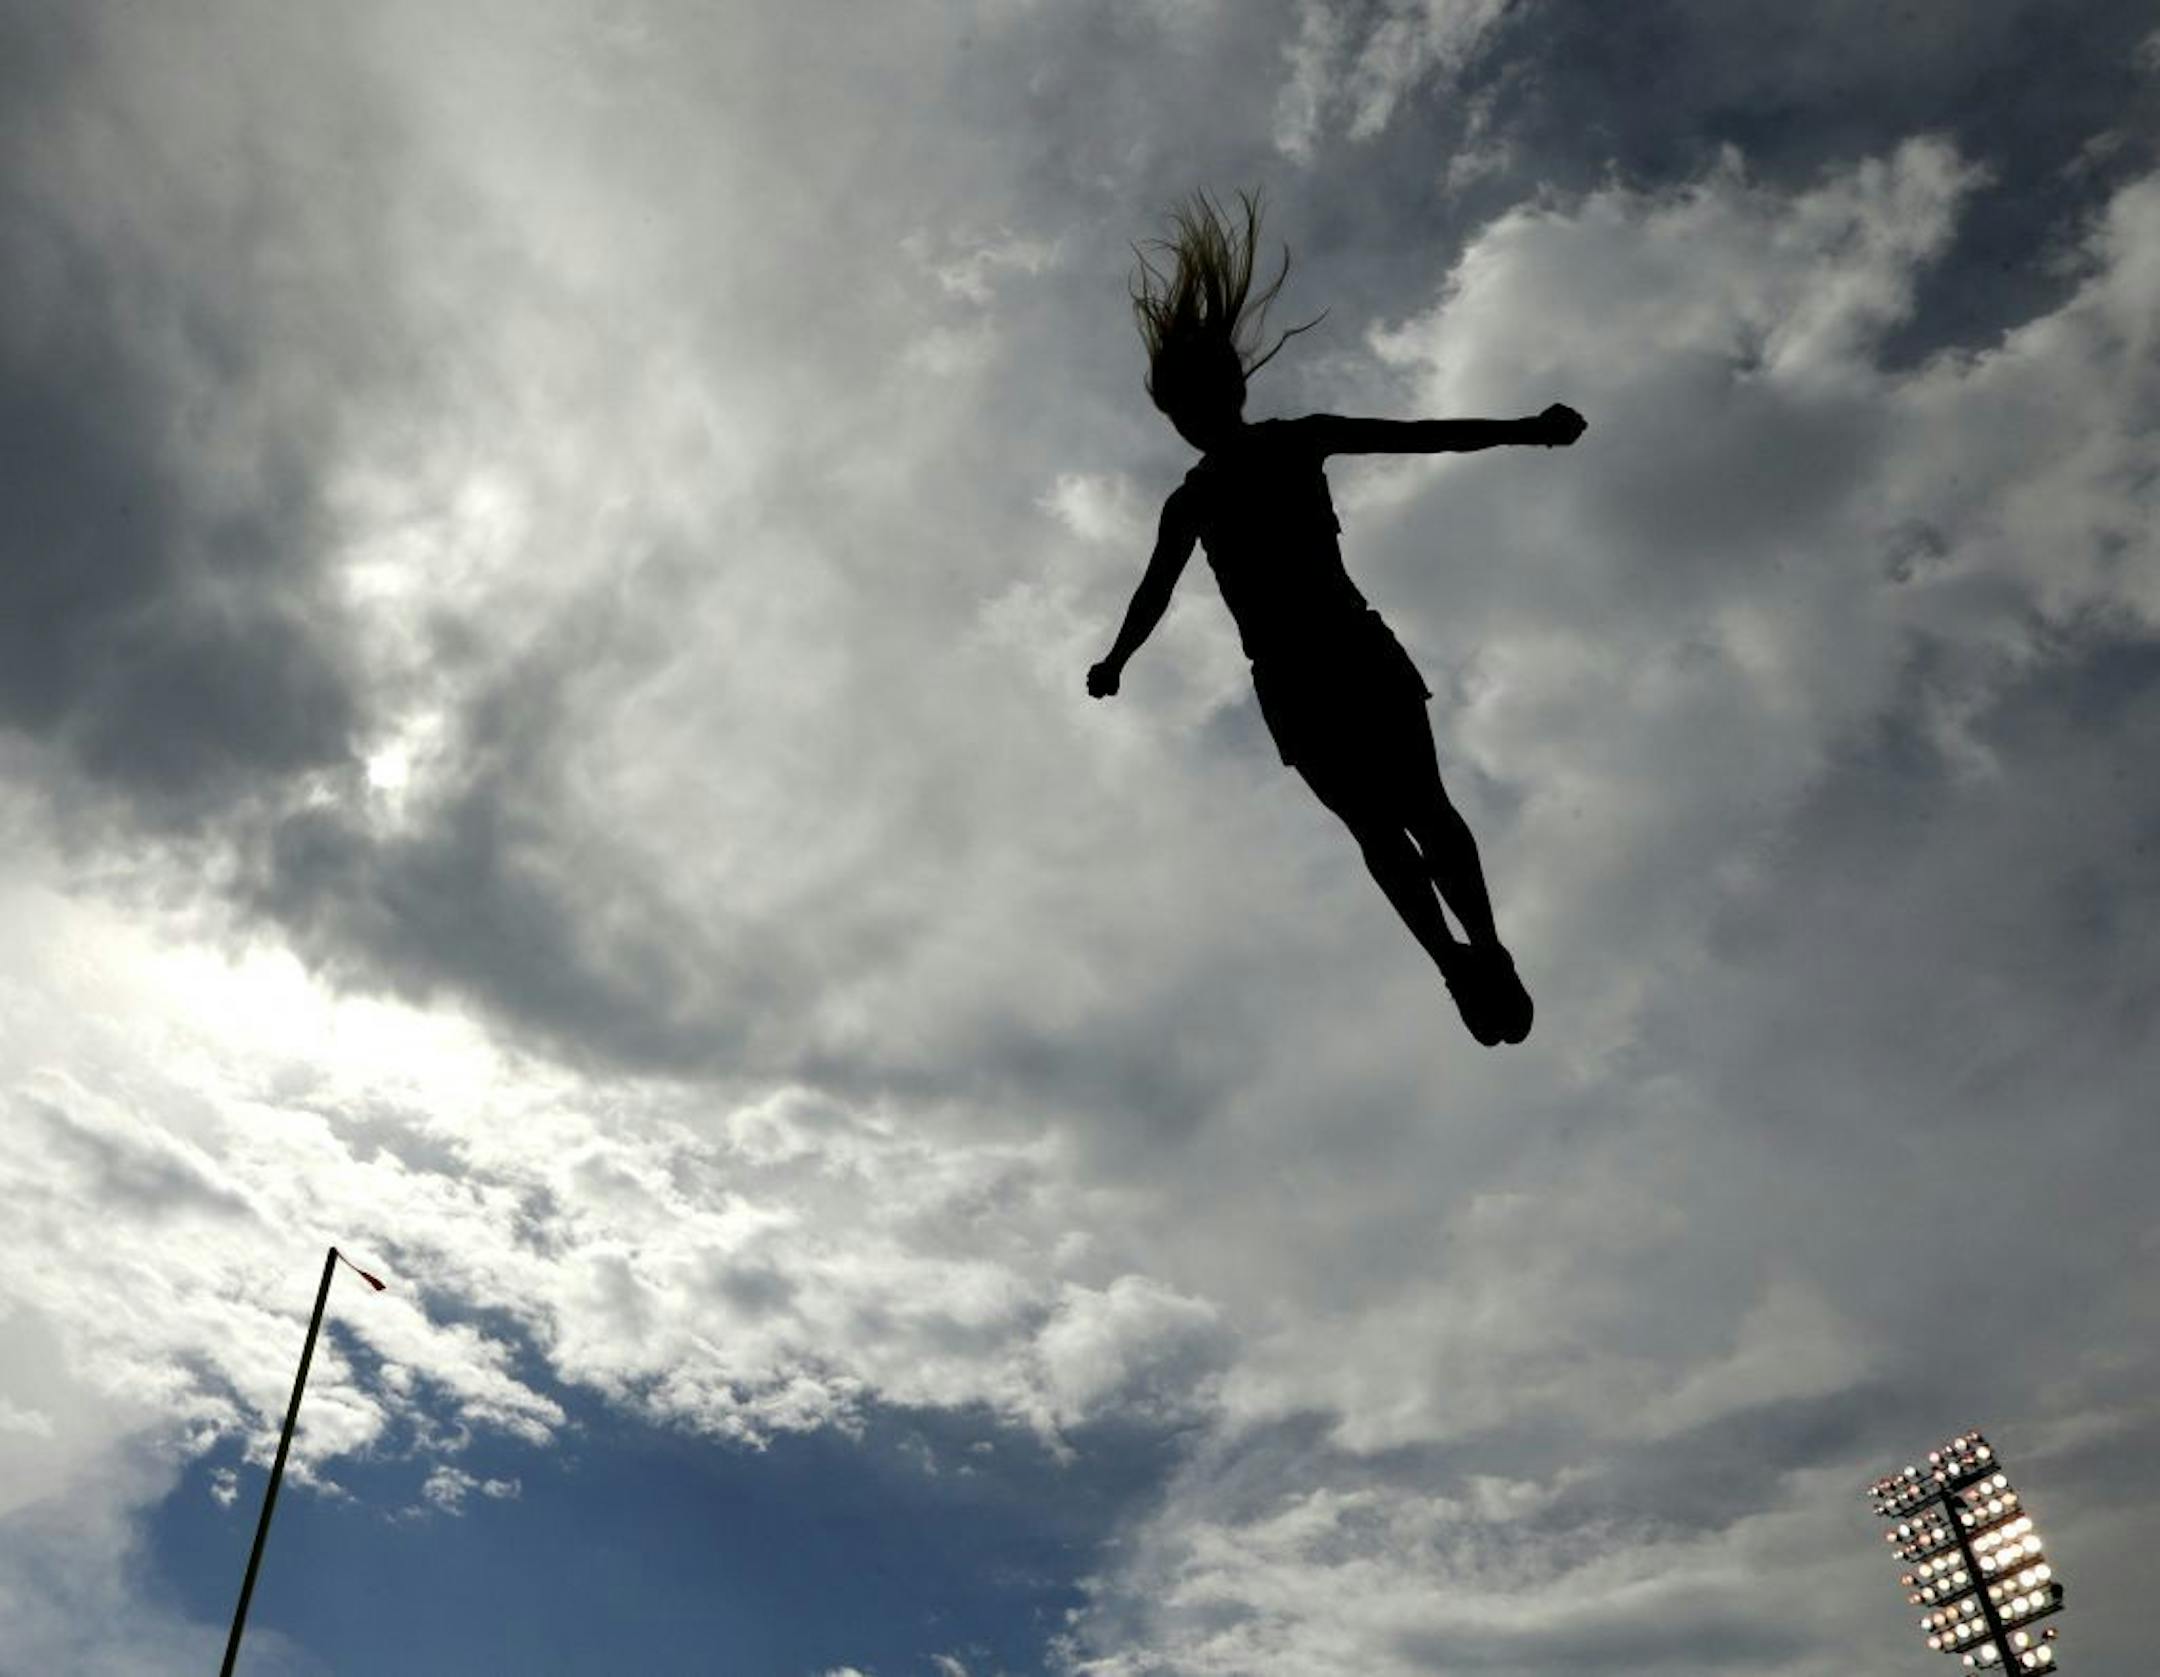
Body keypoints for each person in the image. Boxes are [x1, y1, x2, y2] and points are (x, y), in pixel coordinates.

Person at [1088, 189, 1586, 1046]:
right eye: (1177, 416)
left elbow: (1424, 435)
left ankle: (1485, 954)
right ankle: (1461, 963)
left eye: (1188, 407)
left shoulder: (1285, 445)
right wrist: (1118, 657)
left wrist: (1523, 429)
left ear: (1225, 396)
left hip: (1343, 652)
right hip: (1298, 674)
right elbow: (1153, 591)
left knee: (1419, 810)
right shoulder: (1195, 497)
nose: (1186, 425)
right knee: (1385, 822)